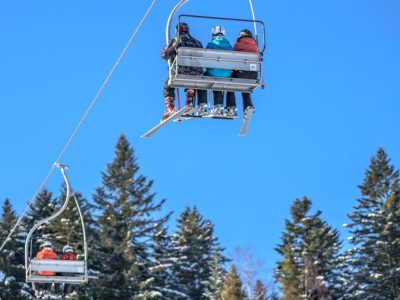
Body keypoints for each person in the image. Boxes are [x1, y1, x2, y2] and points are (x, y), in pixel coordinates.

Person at [161, 22, 207, 120]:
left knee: (168, 85)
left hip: (180, 71)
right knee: (191, 77)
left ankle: (170, 108)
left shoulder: (175, 41)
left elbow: (164, 55)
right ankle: (189, 101)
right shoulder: (197, 42)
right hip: (196, 73)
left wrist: (174, 48)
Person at [205, 26, 236, 116]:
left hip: (214, 72)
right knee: (230, 82)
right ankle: (231, 106)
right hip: (227, 73)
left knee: (214, 79)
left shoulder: (210, 45)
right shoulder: (230, 46)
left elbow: (205, 59)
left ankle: (217, 105)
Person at [232, 29, 259, 116]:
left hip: (241, 73)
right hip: (253, 74)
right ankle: (248, 106)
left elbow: (233, 59)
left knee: (229, 83)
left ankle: (231, 106)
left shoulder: (237, 45)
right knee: (245, 88)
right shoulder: (256, 47)